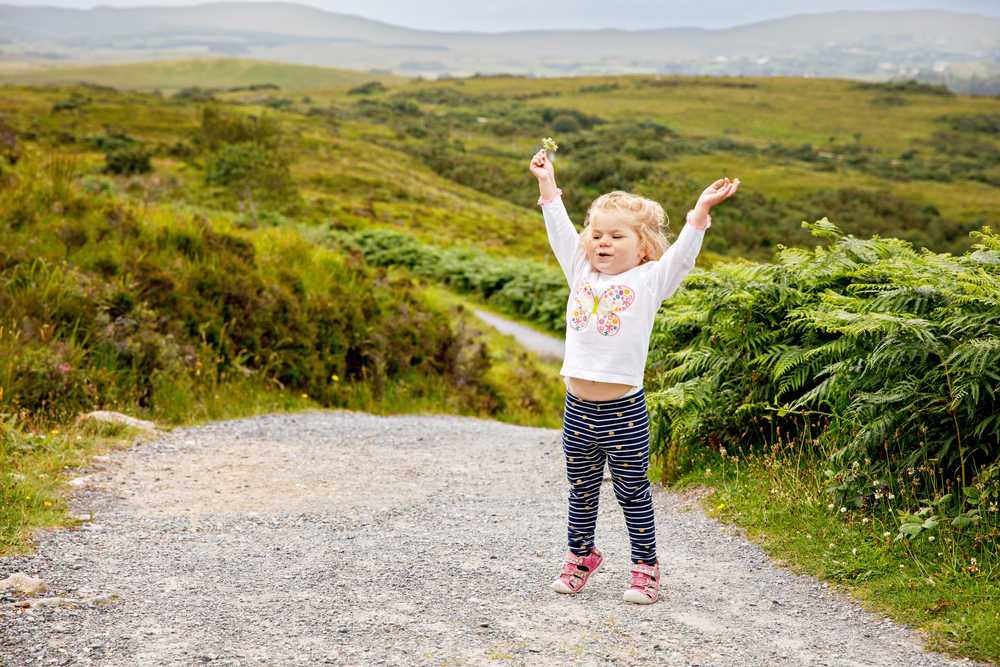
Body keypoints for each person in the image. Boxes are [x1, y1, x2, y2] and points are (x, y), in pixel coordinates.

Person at [529, 148, 739, 604]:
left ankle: (645, 567)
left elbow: (683, 255)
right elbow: (559, 230)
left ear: (642, 246)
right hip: (577, 410)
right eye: (597, 234)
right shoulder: (580, 269)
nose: (602, 242)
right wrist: (547, 184)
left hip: (624, 411)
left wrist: (699, 213)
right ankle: (581, 556)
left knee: (632, 494)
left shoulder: (650, 280)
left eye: (616, 236)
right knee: (581, 492)